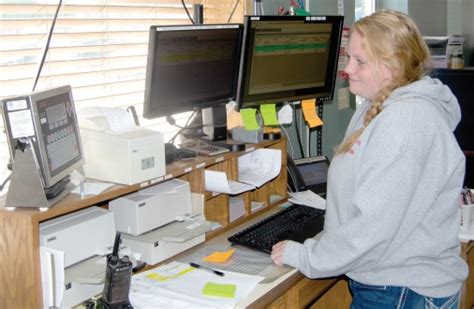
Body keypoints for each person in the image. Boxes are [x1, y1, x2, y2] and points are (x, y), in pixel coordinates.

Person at [271, 9, 468, 308]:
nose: (348, 69)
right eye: (349, 57)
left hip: (401, 291)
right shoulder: (378, 105)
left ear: (392, 67)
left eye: (360, 61)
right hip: (397, 283)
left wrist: (305, 255)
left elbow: (372, 231)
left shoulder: (405, 120)